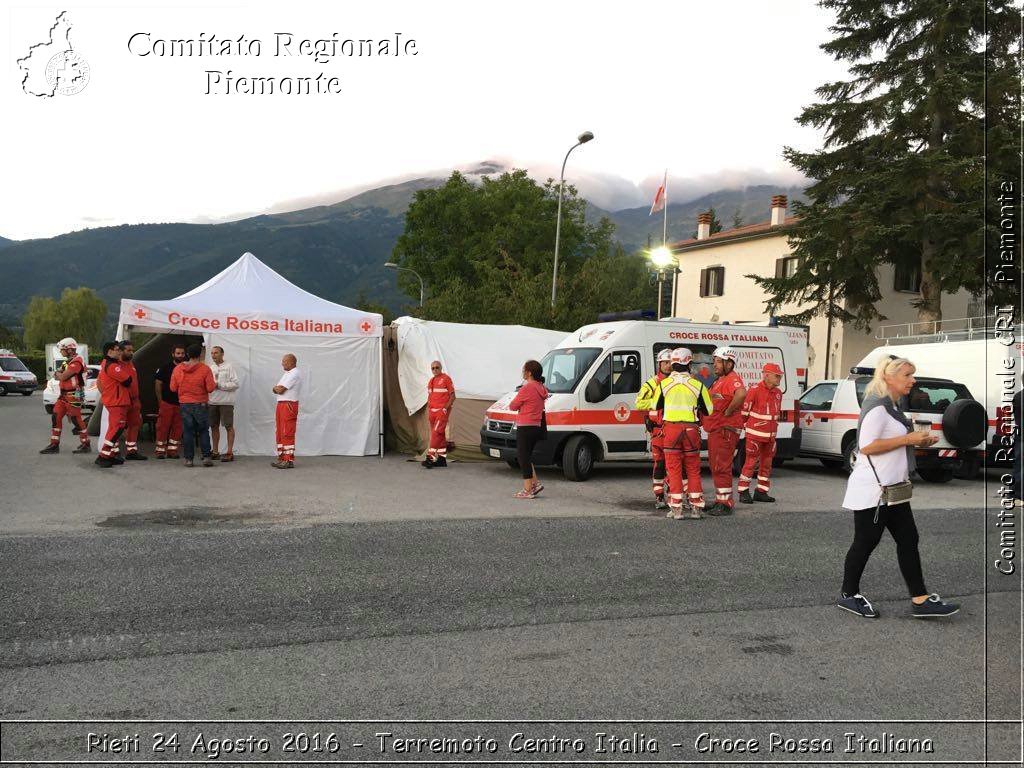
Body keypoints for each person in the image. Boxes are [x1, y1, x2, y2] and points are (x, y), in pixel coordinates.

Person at [837, 354, 960, 619]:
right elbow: (867, 446)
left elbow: (892, 441)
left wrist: (917, 441)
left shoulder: (892, 406)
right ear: (887, 377)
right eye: (907, 375)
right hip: (875, 489)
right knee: (866, 542)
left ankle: (920, 599)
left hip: (893, 489)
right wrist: (908, 438)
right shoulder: (878, 406)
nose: (913, 380)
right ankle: (849, 595)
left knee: (908, 539)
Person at [658, 347, 714, 519]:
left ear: (673, 363)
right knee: (693, 469)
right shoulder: (698, 385)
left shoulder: (664, 384)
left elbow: (656, 405)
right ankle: (696, 508)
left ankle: (676, 509)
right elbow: (709, 410)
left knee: (673, 469)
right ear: (689, 363)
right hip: (691, 430)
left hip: (671, 430)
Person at [704, 346, 746, 516]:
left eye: (719, 361)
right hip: (717, 429)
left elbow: (741, 394)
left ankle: (726, 503)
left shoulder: (732, 379)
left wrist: (728, 412)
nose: (715, 365)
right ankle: (720, 499)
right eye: (714, 361)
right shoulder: (719, 381)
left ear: (729, 364)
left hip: (724, 430)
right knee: (716, 466)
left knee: (722, 466)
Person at [737, 362, 784, 504]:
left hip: (770, 436)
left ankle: (761, 491)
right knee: (750, 463)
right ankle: (743, 491)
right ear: (766, 375)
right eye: (776, 376)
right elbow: (744, 413)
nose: (779, 379)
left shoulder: (778, 393)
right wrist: (746, 428)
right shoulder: (754, 390)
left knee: (767, 464)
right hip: (755, 435)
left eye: (780, 376)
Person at [635, 349, 674, 511]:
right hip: (657, 431)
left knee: (674, 465)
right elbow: (638, 403)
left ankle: (674, 494)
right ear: (659, 364)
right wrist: (656, 402)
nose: (668, 366)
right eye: (665, 363)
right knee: (660, 464)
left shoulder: (677, 382)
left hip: (673, 429)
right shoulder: (652, 383)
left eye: (671, 363)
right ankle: (659, 496)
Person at [39, 337, 91, 455]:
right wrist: (59, 374)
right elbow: (56, 374)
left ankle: (85, 443)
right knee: (55, 417)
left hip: (74, 394)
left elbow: (61, 376)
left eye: (62, 349)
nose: (61, 351)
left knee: (76, 419)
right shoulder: (67, 362)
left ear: (69, 349)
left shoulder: (77, 361)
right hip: (63, 395)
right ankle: (54, 444)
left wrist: (59, 374)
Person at [169, 343, 216, 468]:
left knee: (188, 432)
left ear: (187, 354)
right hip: (200, 403)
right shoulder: (205, 369)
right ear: (200, 354)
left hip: (185, 403)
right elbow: (210, 388)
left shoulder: (178, 369)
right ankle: (206, 457)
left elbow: (172, 388)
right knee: (203, 431)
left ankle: (189, 459)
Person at [508, 359, 548, 499]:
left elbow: (512, 406)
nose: (522, 372)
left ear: (529, 372)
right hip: (536, 425)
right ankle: (535, 484)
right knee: (527, 456)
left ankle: (527, 490)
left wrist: (520, 404)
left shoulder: (527, 387)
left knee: (522, 457)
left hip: (525, 425)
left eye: (524, 370)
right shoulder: (541, 387)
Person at [96, 341, 133, 468]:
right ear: (110, 352)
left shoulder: (106, 364)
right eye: (117, 349)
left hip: (114, 400)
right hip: (117, 401)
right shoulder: (112, 366)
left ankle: (110, 454)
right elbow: (128, 380)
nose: (119, 352)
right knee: (117, 428)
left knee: (113, 428)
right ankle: (104, 456)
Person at [154, 343, 186, 459]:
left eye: (182, 353)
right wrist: (160, 401)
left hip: (181, 403)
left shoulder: (186, 368)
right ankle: (160, 451)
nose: (180, 355)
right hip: (167, 402)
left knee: (178, 428)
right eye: (178, 353)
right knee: (163, 427)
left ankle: (172, 451)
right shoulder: (165, 367)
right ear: (173, 354)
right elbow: (158, 384)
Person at [208, 346, 239, 462]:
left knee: (228, 426)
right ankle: (215, 451)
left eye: (216, 353)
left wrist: (220, 385)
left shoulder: (229, 366)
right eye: (212, 353)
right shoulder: (210, 368)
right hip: (212, 401)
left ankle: (229, 452)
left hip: (226, 402)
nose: (213, 355)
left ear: (222, 354)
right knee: (213, 426)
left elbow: (236, 384)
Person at [422, 360, 455, 469]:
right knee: (439, 435)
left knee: (436, 433)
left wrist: (445, 409)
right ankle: (441, 459)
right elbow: (431, 396)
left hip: (442, 412)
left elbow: (453, 396)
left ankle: (430, 457)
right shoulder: (431, 381)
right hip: (432, 412)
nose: (435, 370)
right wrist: (429, 409)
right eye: (433, 368)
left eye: (437, 367)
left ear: (441, 368)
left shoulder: (446, 379)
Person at [272, 354, 302, 469]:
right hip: (281, 404)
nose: (282, 363)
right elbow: (276, 389)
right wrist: (276, 388)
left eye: (285, 361)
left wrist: (276, 388)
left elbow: (279, 389)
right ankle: (283, 458)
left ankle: (288, 460)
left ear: (292, 362)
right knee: (280, 431)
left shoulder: (294, 373)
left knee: (287, 431)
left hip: (288, 404)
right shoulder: (287, 373)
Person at [118, 341, 147, 460]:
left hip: (134, 401)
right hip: (122, 401)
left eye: (132, 350)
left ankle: (131, 450)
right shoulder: (115, 365)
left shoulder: (131, 364)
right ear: (120, 351)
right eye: (128, 350)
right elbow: (101, 382)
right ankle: (113, 451)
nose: (131, 353)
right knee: (117, 426)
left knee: (135, 424)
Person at [1014, 375, 1022, 508]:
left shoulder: (1018, 396)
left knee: (1019, 467)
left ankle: (1015, 496)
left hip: (1020, 435)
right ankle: (1018, 496)